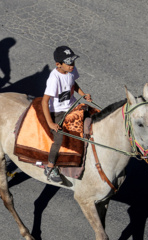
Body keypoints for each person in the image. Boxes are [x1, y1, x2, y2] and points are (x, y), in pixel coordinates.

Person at [41, 46, 92, 183]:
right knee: (60, 138)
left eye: (73, 62)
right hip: (58, 111)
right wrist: (51, 123)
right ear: (58, 64)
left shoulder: (71, 70)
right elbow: (45, 102)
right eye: (68, 63)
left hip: (72, 105)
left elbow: (73, 83)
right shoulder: (54, 78)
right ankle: (50, 167)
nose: (72, 66)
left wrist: (83, 94)